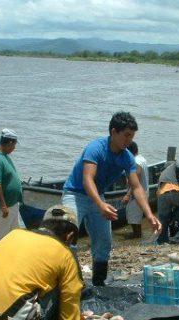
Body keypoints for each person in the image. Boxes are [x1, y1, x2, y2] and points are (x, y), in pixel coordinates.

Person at [62, 112, 161, 286]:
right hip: (75, 194)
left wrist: (149, 214)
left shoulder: (127, 157)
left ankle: (99, 284)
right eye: (126, 135)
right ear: (114, 132)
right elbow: (87, 179)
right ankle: (70, 283)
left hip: (97, 196)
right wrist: (101, 204)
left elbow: (136, 187)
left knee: (104, 243)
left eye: (132, 136)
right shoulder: (96, 148)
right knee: (68, 238)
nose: (129, 140)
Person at [0, 128, 23, 247]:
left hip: (12, 204)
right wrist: (3, 206)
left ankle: (10, 256)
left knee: (14, 233)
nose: (14, 148)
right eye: (14, 145)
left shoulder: (4, 156)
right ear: (10, 142)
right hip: (3, 206)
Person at [156, 160, 179, 244]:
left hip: (161, 195)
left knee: (163, 220)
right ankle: (174, 218)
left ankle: (162, 241)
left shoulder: (163, 173)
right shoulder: (175, 163)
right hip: (174, 192)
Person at [122, 141, 149, 238]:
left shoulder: (136, 162)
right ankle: (137, 233)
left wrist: (128, 195)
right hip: (144, 191)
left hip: (138, 193)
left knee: (134, 216)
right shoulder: (142, 159)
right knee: (136, 215)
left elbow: (135, 180)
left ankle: (137, 235)